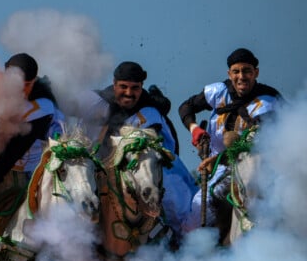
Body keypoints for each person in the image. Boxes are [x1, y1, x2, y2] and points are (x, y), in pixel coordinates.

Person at [75, 61, 196, 235]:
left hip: (139, 167)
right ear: (114, 84)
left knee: (173, 191)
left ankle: (180, 234)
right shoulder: (97, 104)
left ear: (141, 88)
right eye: (123, 87)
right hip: (96, 163)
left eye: (135, 88)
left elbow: (148, 149)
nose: (129, 93)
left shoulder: (149, 113)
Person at [178, 47, 283, 231]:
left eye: (247, 71)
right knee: (196, 210)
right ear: (229, 73)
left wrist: (216, 159)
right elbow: (186, 107)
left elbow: (254, 145)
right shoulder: (217, 91)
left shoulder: (268, 101)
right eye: (236, 71)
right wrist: (195, 130)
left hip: (257, 166)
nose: (241, 76)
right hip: (220, 169)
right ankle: (185, 251)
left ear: (256, 73)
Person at [0, 53, 65, 208]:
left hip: (27, 169)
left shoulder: (42, 106)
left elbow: (16, 149)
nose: (22, 90)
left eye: (27, 84)